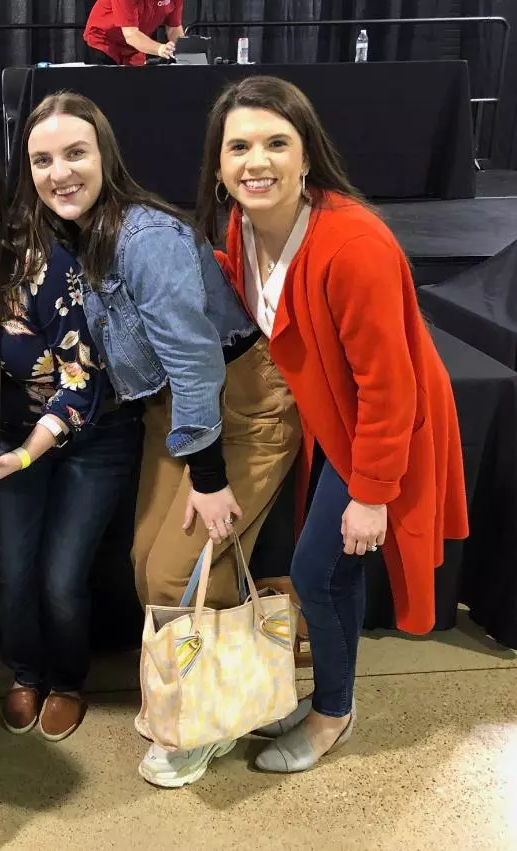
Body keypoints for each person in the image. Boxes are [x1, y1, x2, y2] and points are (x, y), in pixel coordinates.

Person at [11, 92, 301, 785]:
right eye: (43, 159)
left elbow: (195, 358)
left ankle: (204, 719)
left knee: (182, 569)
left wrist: (207, 476)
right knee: (149, 563)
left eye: (75, 153)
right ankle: (234, 692)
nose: (60, 172)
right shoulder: (74, 237)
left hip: (236, 407)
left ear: (105, 156)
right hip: (169, 409)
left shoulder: (144, 237)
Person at [197, 75, 468, 773]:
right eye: (240, 148)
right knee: (328, 574)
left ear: (307, 156)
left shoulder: (354, 247)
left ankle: (333, 712)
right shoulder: (241, 225)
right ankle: (331, 696)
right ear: (221, 167)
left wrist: (373, 490)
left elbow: (389, 384)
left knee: (319, 576)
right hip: (334, 418)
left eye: (275, 143)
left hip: (381, 424)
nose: (257, 161)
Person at [0, 134, 143, 741]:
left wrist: (22, 455)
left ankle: (66, 680)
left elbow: (82, 379)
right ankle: (26, 673)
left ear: (0, 197)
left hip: (90, 434)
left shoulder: (41, 268)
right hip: (12, 441)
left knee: (62, 576)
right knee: (15, 572)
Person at [83, 0, 185, 66]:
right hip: (103, 42)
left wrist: (184, 52)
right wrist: (160, 49)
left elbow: (174, 28)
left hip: (134, 49)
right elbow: (131, 35)